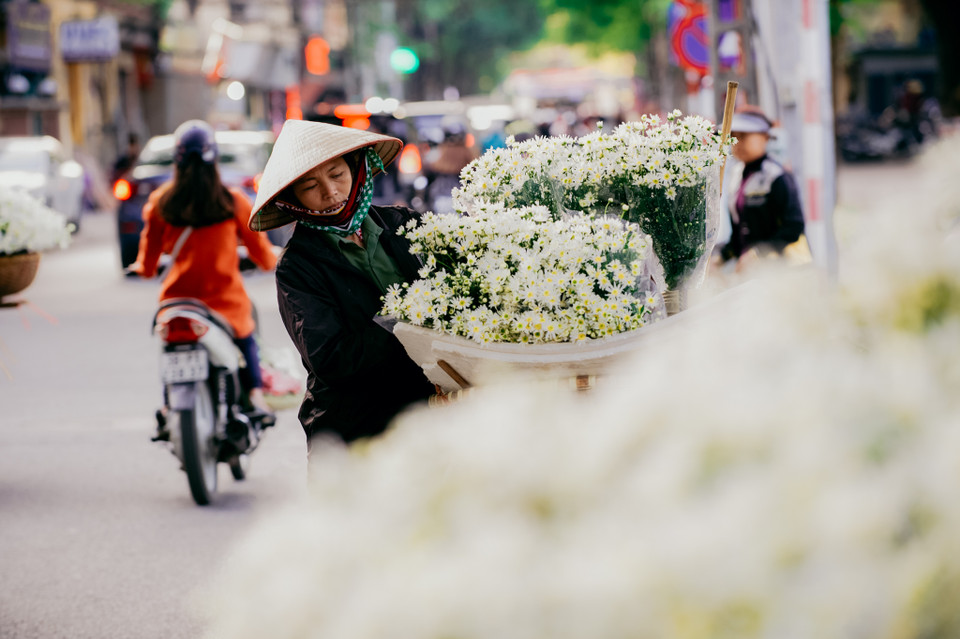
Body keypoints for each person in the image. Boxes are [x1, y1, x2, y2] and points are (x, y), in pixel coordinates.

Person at [248, 120, 435, 456]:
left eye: (336, 175)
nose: (330, 192)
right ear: (293, 198)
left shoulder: (404, 224)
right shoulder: (297, 268)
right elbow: (332, 358)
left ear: (357, 168)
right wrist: (411, 319)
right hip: (355, 432)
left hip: (431, 416)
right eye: (310, 186)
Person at [129, 119, 278, 419]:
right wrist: (272, 259)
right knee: (246, 335)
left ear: (178, 158)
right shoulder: (232, 200)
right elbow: (262, 255)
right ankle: (255, 395)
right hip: (224, 300)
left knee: (171, 349)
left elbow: (146, 264)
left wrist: (142, 269)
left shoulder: (161, 202)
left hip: (177, 301)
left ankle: (169, 404)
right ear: (214, 156)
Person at [716, 107, 806, 271]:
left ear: (765, 137)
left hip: (781, 271)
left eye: (743, 136)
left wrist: (759, 254)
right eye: (733, 137)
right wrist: (721, 258)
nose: (736, 142)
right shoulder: (736, 175)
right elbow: (738, 234)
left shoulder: (777, 176)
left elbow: (794, 227)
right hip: (749, 273)